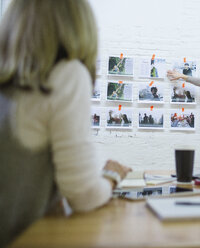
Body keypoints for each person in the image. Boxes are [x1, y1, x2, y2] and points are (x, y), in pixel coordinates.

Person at [0, 1, 132, 246]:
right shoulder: (66, 75)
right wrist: (112, 176)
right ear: (79, 27)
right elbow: (83, 196)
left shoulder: (12, 81)